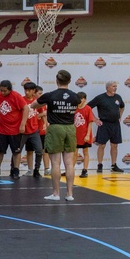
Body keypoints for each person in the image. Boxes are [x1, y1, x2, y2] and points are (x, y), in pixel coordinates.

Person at [32, 70, 81, 202]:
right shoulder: (75, 96)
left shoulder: (50, 95)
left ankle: (56, 193)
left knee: (55, 163)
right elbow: (78, 106)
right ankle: (70, 194)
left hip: (55, 127)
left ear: (56, 80)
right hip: (70, 128)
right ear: (69, 81)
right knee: (69, 163)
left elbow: (33, 105)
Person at [0, 80, 29, 179]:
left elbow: (26, 109)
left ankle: (16, 170)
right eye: (1, 90)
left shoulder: (16, 96)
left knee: (16, 151)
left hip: (15, 129)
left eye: (5, 91)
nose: (2, 93)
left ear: (10, 90)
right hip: (2, 129)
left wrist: (23, 124)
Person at [89, 81, 126, 174]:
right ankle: (100, 164)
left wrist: (120, 116)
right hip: (104, 124)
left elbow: (122, 107)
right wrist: (95, 119)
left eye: (116, 86)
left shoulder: (118, 97)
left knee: (114, 145)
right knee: (102, 145)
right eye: (113, 86)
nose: (115, 88)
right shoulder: (100, 98)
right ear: (108, 87)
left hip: (115, 125)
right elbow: (88, 108)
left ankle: (114, 165)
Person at [19, 82, 44, 178]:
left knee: (39, 151)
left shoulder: (37, 101)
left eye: (29, 90)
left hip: (34, 130)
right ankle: (14, 169)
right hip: (23, 131)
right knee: (17, 151)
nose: (26, 92)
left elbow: (42, 112)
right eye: (25, 90)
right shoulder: (21, 100)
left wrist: (45, 123)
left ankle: (36, 170)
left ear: (34, 91)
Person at [74, 92, 95, 178]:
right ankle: (71, 169)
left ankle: (85, 169)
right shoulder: (74, 108)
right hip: (75, 134)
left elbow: (90, 122)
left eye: (81, 99)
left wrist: (88, 135)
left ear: (85, 99)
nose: (79, 100)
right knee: (74, 152)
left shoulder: (88, 109)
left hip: (84, 133)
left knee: (85, 151)